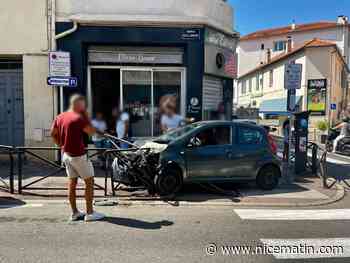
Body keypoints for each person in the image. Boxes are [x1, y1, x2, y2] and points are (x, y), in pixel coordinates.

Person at [50, 94, 105, 222]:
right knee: (89, 182)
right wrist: (86, 116)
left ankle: (74, 212)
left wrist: (61, 145)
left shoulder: (60, 116)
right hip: (78, 155)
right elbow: (91, 132)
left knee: (72, 183)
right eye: (84, 104)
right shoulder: (79, 117)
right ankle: (90, 213)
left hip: (66, 155)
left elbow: (53, 133)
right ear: (78, 105)